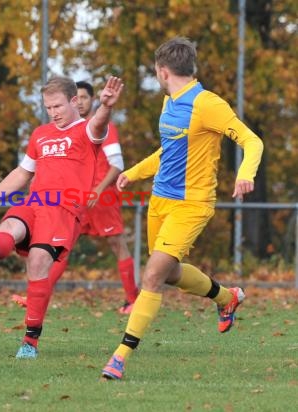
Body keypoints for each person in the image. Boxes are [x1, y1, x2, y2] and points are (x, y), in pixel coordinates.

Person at [101, 37, 263, 380]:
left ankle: (120, 356)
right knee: (170, 273)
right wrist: (133, 173)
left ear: (162, 71)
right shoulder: (169, 102)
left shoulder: (208, 104)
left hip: (192, 204)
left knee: (152, 276)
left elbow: (252, 140)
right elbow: (168, 153)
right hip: (159, 202)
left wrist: (245, 174)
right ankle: (226, 297)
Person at [0, 75, 124, 359]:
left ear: (74, 101)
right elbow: (22, 173)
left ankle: (29, 342)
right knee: (10, 225)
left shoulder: (86, 130)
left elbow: (98, 125)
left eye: (58, 106)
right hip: (35, 200)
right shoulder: (41, 134)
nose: (53, 112)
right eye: (48, 107)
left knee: (37, 263)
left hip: (63, 211)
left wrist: (105, 107)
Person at [10, 81, 139, 314]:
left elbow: (117, 164)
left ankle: (133, 299)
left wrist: (97, 190)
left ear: (88, 101)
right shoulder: (56, 132)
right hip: (74, 198)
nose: (80, 102)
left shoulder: (98, 127)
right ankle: (37, 296)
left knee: (117, 244)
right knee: (58, 248)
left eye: (85, 98)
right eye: (77, 97)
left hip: (99, 198)